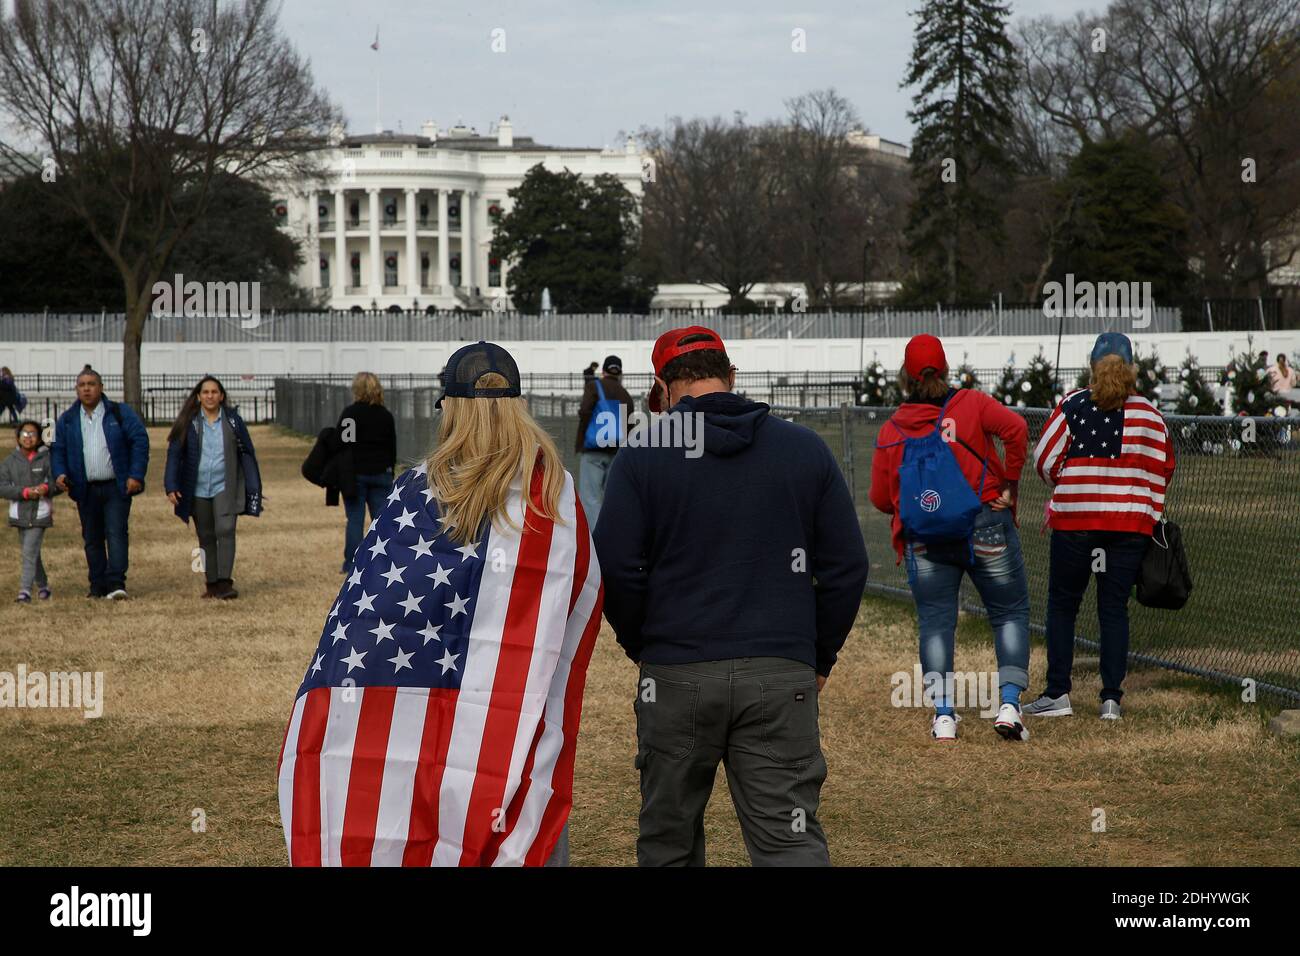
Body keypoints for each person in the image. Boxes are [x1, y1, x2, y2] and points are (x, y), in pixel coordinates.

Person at [278, 341, 601, 867]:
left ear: (449, 407)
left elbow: (366, 613)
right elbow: (575, 595)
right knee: (517, 793)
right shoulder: (553, 495)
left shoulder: (412, 493)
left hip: (414, 708)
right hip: (511, 711)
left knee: (422, 796)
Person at [594, 325, 868, 867]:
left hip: (676, 670)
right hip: (780, 669)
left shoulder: (642, 454)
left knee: (668, 840)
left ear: (663, 387)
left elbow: (616, 568)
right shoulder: (803, 449)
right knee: (788, 842)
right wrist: (817, 654)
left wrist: (643, 644)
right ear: (731, 375)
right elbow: (847, 567)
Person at [869, 334, 1032, 742]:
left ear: (905, 377)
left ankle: (944, 715)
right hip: (985, 522)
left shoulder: (892, 429)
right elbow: (1016, 430)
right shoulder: (972, 405)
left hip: (925, 539)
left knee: (936, 624)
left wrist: (921, 506)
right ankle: (1009, 704)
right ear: (945, 369)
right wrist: (1008, 484)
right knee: (1008, 613)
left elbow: (879, 497)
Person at [1024, 332, 1176, 720]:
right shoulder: (1150, 416)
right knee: (1113, 609)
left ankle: (1057, 693)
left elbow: (1043, 459)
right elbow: (1165, 467)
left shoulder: (1073, 405)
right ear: (1132, 369)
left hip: (1076, 522)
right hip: (1128, 526)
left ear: (1092, 366)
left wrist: (1070, 483)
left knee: (1063, 604)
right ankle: (1111, 699)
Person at [51, 366, 149, 600]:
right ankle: (97, 585)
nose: (87, 389)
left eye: (91, 384)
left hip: (116, 486)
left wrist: (135, 474)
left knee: (116, 533)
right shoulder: (67, 420)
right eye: (82, 385)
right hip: (85, 489)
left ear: (101, 387)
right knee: (92, 538)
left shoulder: (119, 413)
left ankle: (116, 584)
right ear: (76, 389)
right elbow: (58, 450)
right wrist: (60, 474)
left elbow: (139, 441)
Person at [164, 376, 263, 599]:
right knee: (205, 536)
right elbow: (174, 454)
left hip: (225, 486)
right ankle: (211, 582)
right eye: (205, 392)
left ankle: (226, 582)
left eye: (214, 392)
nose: (210, 396)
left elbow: (247, 451)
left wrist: (252, 484)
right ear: (198, 396)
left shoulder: (232, 421)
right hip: (197, 488)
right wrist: (171, 485)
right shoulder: (188, 422)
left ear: (222, 396)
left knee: (226, 530)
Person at [337, 371, 397, 573]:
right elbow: (392, 447)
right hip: (381, 472)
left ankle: (351, 563)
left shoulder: (350, 414)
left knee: (355, 519)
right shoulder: (385, 415)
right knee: (381, 521)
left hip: (355, 474)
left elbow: (344, 445)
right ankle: (384, 560)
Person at [0, 420, 62, 602]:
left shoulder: (47, 459)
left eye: (33, 434)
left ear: (39, 438)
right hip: (19, 513)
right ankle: (43, 587)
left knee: (28, 551)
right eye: (25, 434)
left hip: (40, 513)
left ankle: (24, 591)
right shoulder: (9, 462)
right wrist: (24, 492)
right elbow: (2, 487)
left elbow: (56, 484)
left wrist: (45, 488)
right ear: (18, 437)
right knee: (32, 553)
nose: (28, 438)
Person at [574, 355, 633, 523]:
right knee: (610, 498)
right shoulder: (626, 395)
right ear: (620, 372)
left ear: (604, 370)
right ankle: (611, 536)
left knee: (591, 498)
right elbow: (629, 425)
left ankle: (596, 541)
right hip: (616, 451)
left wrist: (581, 438)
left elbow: (585, 411)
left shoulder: (594, 386)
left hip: (593, 449)